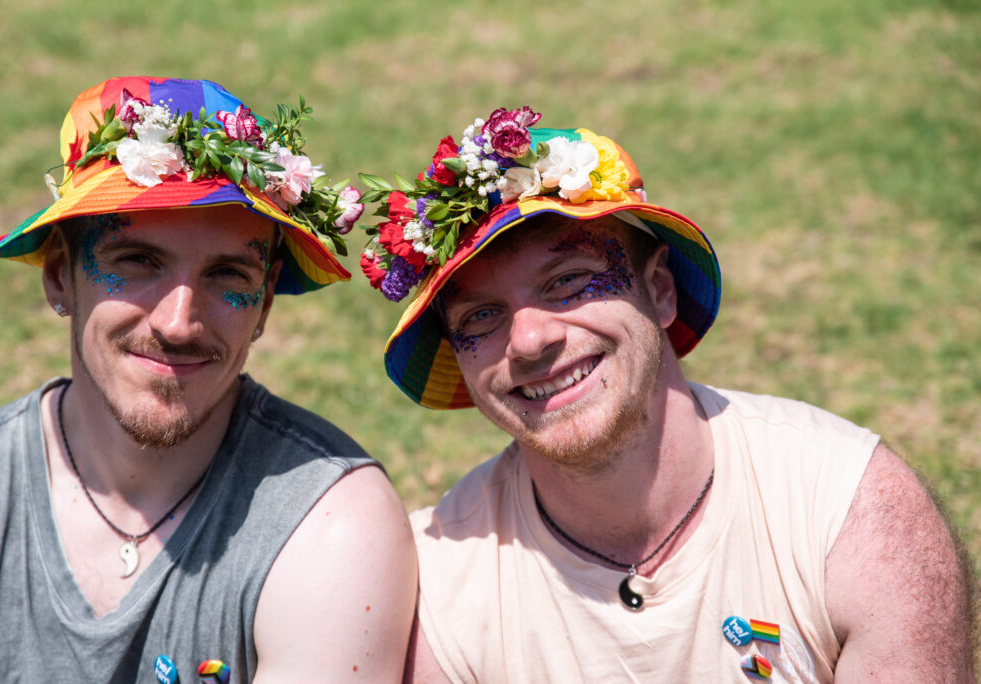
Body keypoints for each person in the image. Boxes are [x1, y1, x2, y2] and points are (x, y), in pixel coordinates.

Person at [360, 108, 974, 681]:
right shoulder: (435, 584)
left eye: (568, 281)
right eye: (480, 317)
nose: (528, 338)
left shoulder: (851, 515)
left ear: (658, 290)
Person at [0, 76, 417, 683]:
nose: (179, 323)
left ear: (266, 305)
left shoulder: (331, 526)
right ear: (60, 277)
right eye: (138, 261)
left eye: (228, 274)